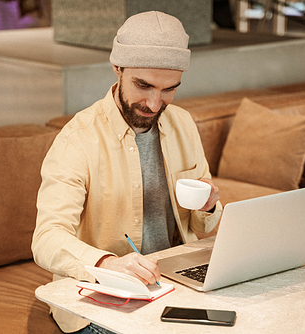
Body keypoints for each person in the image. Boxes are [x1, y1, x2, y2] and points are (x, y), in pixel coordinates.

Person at [32, 11, 222, 333]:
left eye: (169, 90)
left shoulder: (184, 125)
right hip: (100, 296)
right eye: (143, 85)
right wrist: (108, 263)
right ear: (117, 67)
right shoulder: (76, 141)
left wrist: (208, 206)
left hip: (172, 284)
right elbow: (46, 239)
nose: (154, 103)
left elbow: (204, 224)